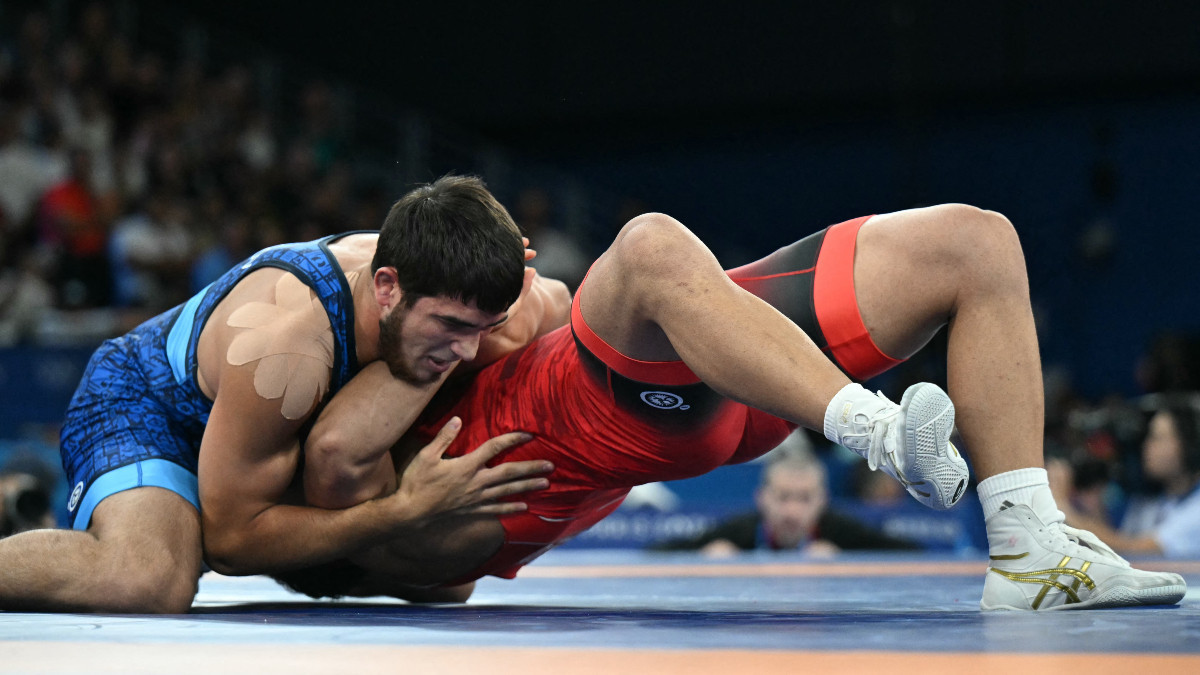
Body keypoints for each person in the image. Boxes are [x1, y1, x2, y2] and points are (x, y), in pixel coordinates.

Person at [290, 198, 1187, 611]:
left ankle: (1030, 547)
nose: (460, 333)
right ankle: (873, 429)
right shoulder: (382, 477)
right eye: (446, 317)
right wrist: (402, 498)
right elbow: (340, 471)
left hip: (715, 376)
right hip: (626, 403)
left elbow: (546, 302)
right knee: (644, 245)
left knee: (977, 244)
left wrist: (487, 317)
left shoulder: (423, 372)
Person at [0, 175, 559, 613]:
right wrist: (398, 512)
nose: (466, 350)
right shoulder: (287, 346)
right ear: (387, 288)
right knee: (146, 578)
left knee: (445, 583)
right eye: (450, 327)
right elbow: (231, 542)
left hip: (260, 438)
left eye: (481, 326)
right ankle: (143, 521)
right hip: (149, 407)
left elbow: (560, 302)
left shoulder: (449, 294)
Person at [652, 448, 918, 557]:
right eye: (783, 497)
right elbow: (657, 553)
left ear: (823, 500)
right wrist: (703, 557)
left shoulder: (842, 531)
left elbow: (913, 554)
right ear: (762, 498)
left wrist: (846, 564)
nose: (792, 511)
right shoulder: (739, 532)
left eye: (804, 498)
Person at [1051, 394, 1200, 558]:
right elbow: (1118, 555)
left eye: (1156, 437)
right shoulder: (1152, 500)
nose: (1146, 446)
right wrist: (1094, 511)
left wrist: (1062, 508)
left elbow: (1135, 550)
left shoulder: (1196, 510)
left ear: (1190, 446)